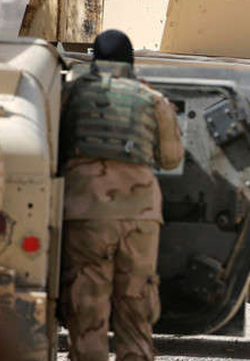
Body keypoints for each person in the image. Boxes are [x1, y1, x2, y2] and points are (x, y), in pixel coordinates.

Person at [59, 29, 184, 361]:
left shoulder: (71, 93)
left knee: (87, 302)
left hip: (86, 210)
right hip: (140, 214)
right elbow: (171, 159)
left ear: (95, 59)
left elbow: (53, 146)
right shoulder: (152, 99)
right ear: (130, 61)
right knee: (136, 302)